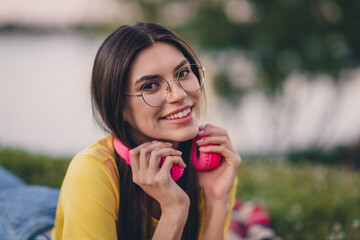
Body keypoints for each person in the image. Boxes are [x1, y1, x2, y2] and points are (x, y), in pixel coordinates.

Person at [50, 21, 241, 239]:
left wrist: (217, 200)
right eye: (150, 85)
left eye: (183, 72)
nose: (179, 94)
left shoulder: (212, 161)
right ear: (119, 106)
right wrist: (173, 212)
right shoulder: (90, 173)